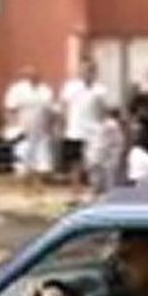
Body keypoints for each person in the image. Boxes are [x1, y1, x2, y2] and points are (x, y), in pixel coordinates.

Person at [60, 59, 107, 198]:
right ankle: (75, 192)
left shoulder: (100, 89)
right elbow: (64, 106)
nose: (86, 73)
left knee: (94, 162)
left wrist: (102, 126)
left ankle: (94, 190)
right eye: (84, 69)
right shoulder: (70, 87)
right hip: (75, 130)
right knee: (75, 162)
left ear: (95, 72)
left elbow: (103, 111)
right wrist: (63, 124)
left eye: (90, 70)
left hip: (94, 131)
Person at [4, 66, 55, 193]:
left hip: (41, 130)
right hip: (22, 129)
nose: (32, 77)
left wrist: (51, 126)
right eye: (29, 75)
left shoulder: (45, 91)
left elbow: (50, 110)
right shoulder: (17, 89)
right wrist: (12, 126)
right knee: (23, 158)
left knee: (41, 159)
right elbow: (10, 109)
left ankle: (38, 184)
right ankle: (24, 187)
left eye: (35, 75)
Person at [86, 107, 125, 197]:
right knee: (107, 181)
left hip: (94, 154)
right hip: (104, 155)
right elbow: (118, 141)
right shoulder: (113, 124)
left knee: (96, 182)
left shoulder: (98, 124)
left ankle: (95, 195)